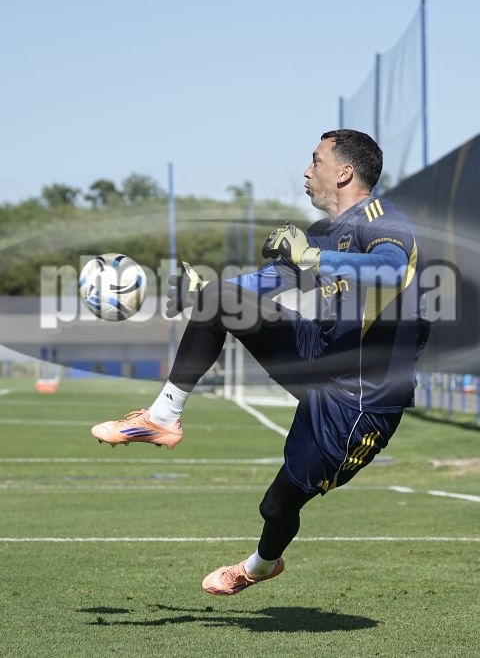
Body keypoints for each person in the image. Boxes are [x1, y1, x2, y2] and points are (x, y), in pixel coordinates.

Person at [91, 129, 430, 595]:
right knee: (219, 299)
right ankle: (162, 418)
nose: (306, 172)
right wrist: (202, 293)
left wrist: (312, 257)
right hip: (318, 352)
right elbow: (269, 281)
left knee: (277, 506)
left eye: (316, 161)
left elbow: (391, 269)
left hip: (358, 401)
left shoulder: (383, 219)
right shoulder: (322, 233)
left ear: (345, 172)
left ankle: (261, 565)